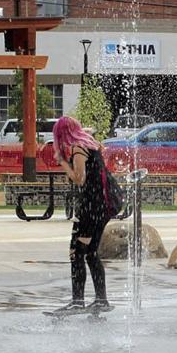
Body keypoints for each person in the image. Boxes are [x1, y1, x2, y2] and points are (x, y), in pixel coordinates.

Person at [53, 116, 113, 313]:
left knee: (76, 252)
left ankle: (78, 302)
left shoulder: (79, 148)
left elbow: (79, 179)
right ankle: (101, 301)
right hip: (101, 205)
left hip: (93, 207)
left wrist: (63, 162)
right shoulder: (89, 143)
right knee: (90, 253)